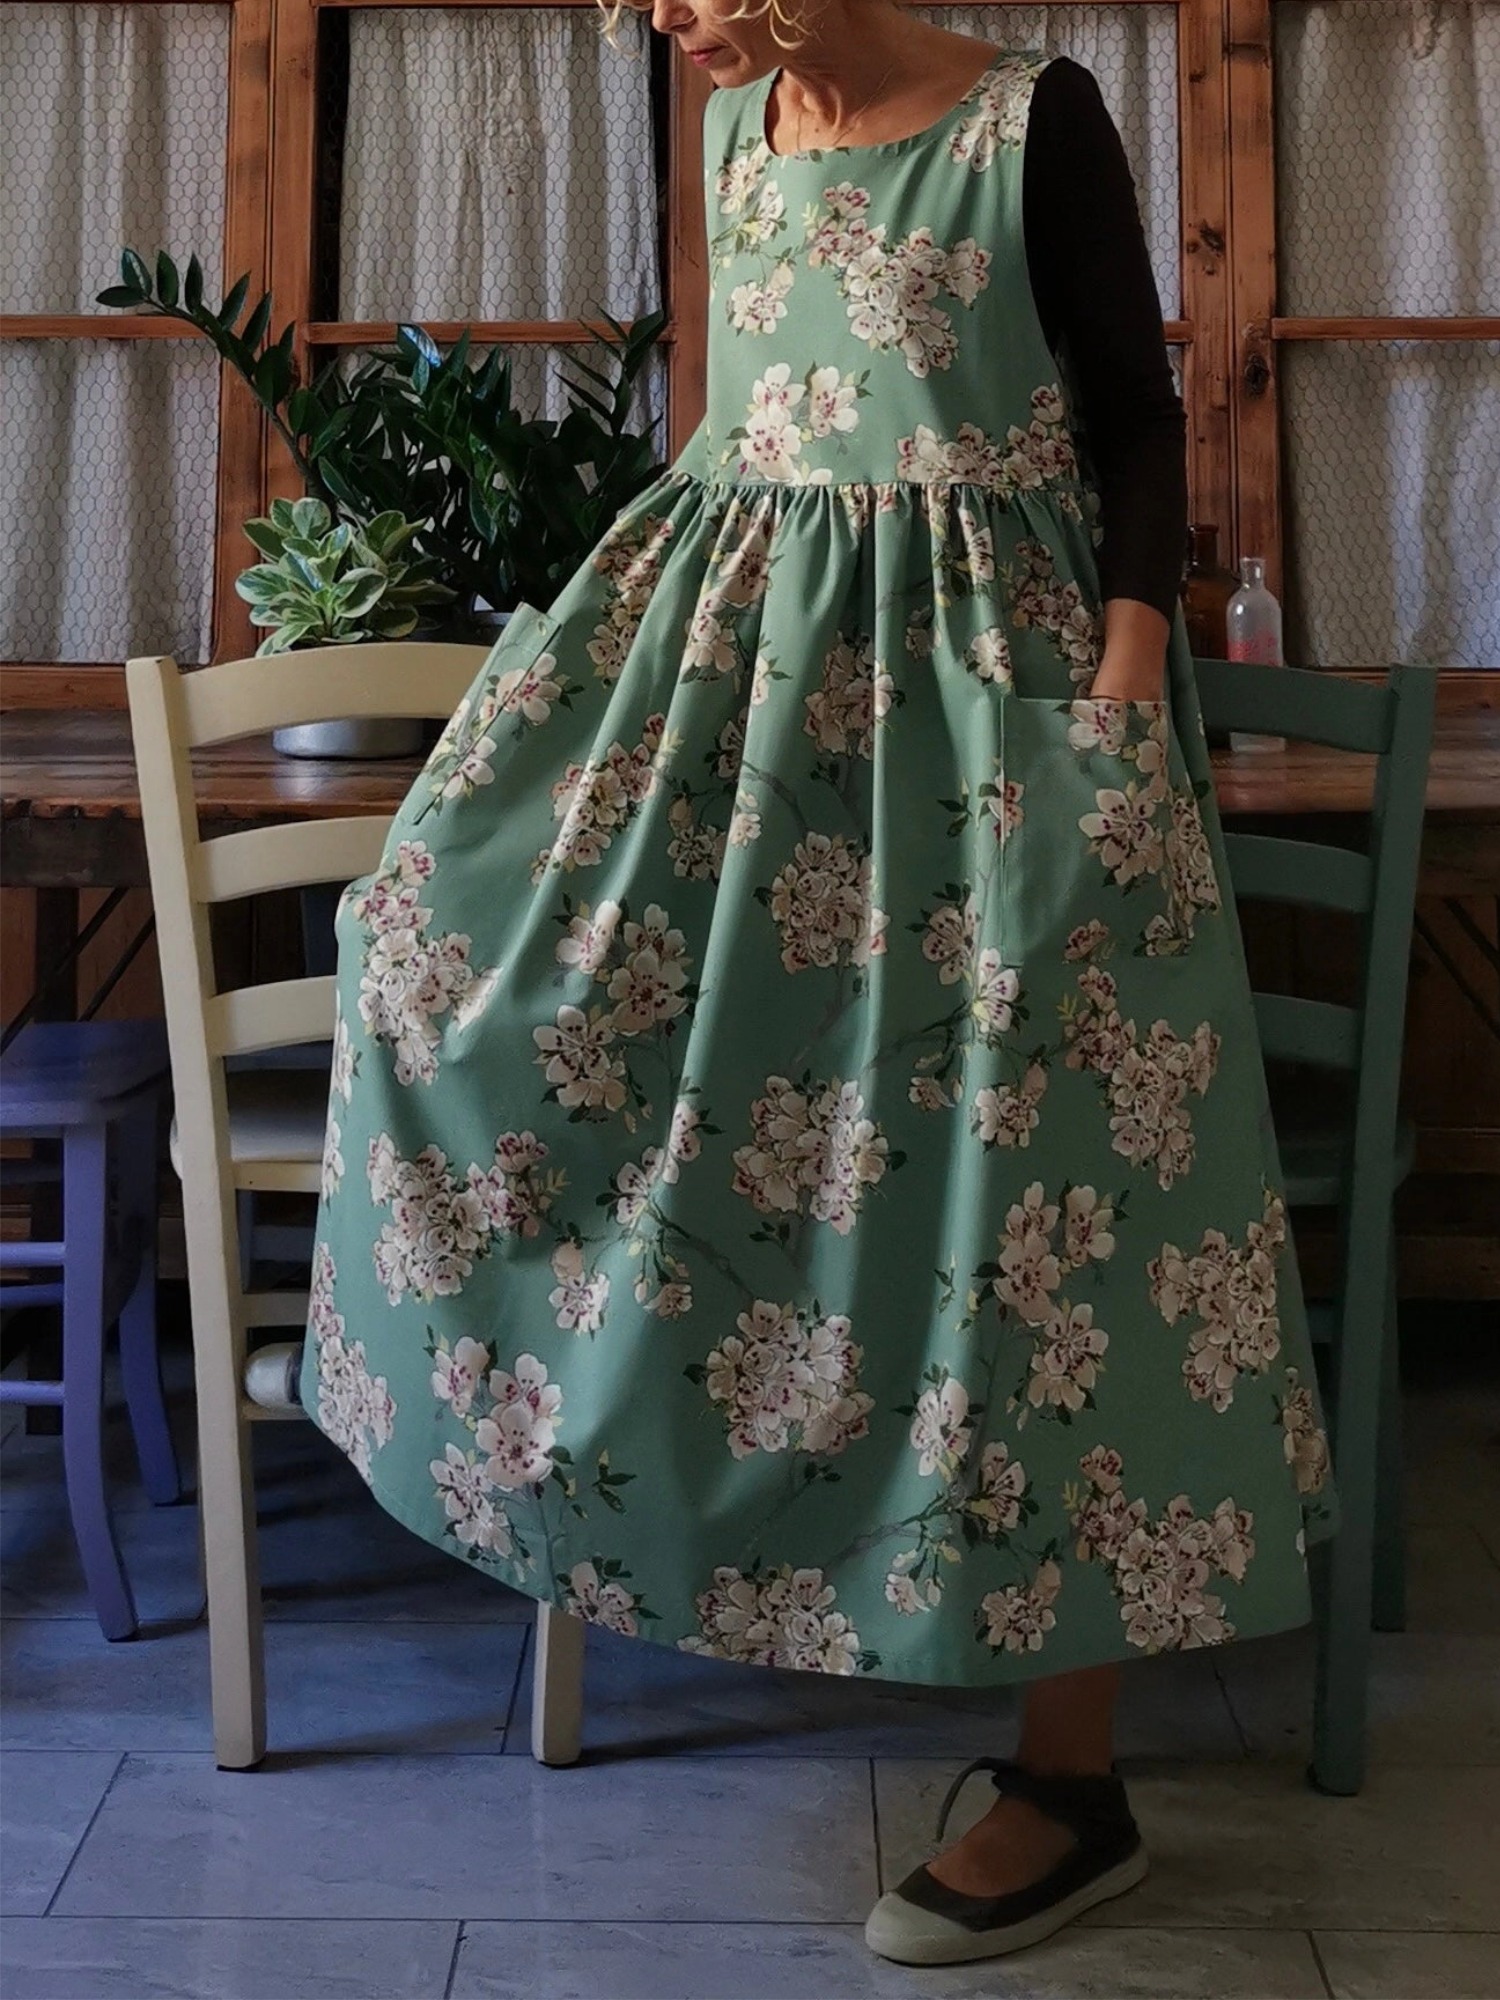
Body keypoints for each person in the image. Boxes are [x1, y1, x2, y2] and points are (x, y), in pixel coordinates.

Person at [302, 0, 1339, 1967]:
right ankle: (730, 1550)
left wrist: (1121, 687)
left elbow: (1133, 408)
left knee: (1048, 1215)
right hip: (757, 728)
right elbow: (744, 445)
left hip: (1004, 713)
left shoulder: (1035, 121)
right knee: (497, 990)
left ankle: (1072, 1779)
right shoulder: (735, 137)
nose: (669, 25)